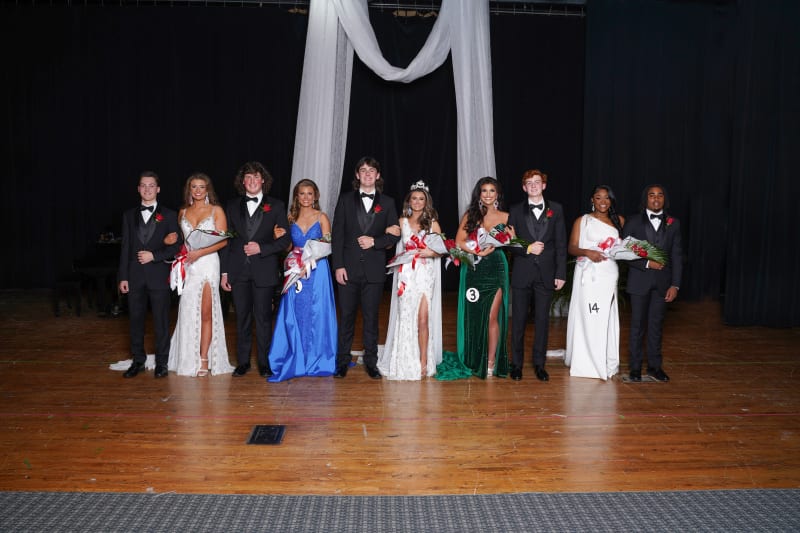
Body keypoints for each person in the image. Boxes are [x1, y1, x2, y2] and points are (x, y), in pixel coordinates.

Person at [331, 156, 399, 379]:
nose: (368, 174)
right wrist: (338, 266)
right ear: (357, 175)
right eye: (363, 170)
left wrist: (375, 242)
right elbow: (337, 235)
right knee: (347, 317)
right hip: (347, 269)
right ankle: (342, 361)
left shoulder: (388, 203)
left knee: (371, 318)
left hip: (374, 270)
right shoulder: (345, 199)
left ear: (377, 176)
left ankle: (371, 362)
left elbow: (394, 235)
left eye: (372, 171)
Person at [221, 162, 290, 377]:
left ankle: (264, 362)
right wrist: (224, 272)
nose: (252, 181)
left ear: (263, 181)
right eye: (248, 178)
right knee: (241, 318)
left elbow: (285, 240)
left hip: (264, 271)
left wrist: (262, 248)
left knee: (263, 319)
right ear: (243, 182)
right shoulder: (231, 206)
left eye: (256, 177)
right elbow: (226, 241)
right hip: (237, 271)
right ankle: (243, 363)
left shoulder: (277, 206)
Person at [267, 179, 337, 382]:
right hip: (296, 270)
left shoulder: (322, 217)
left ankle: (316, 357)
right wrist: (277, 236)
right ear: (296, 197)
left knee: (317, 313)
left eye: (309, 193)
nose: (306, 197)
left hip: (317, 271)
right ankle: (296, 356)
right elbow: (288, 248)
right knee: (296, 312)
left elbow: (328, 245)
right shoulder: (290, 218)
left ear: (315, 196)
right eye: (301, 193)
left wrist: (310, 260)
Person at [166, 173, 235, 377]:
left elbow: (224, 240)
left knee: (206, 312)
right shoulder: (182, 212)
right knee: (187, 311)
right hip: (189, 264)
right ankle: (187, 357)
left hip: (207, 263)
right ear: (189, 190)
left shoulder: (216, 211)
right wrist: (171, 243)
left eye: (201, 187)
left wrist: (200, 253)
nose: (197, 190)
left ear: (207, 190)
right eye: (194, 187)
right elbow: (182, 241)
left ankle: (204, 358)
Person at [446, 177, 511, 379]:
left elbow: (512, 240)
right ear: (479, 194)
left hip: (497, 267)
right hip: (474, 267)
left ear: (497, 194)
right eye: (484, 191)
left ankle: (491, 361)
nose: (489, 194)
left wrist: (511, 237)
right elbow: (459, 241)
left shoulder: (506, 216)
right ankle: (474, 359)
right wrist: (478, 251)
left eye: (492, 190)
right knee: (474, 316)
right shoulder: (471, 215)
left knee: (492, 316)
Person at [378, 181, 443, 380]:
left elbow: (442, 250)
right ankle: (403, 359)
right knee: (405, 317)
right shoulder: (401, 222)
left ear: (426, 202)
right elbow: (390, 243)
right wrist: (387, 232)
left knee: (423, 319)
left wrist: (429, 251)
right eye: (414, 198)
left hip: (424, 275)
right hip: (406, 275)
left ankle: (423, 360)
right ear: (409, 201)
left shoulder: (432, 223)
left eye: (421, 199)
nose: (417, 202)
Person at [118, 171, 181, 379]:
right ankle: (138, 360)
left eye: (151, 185)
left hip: (158, 275)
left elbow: (177, 247)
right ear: (138, 189)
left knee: (161, 320)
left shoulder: (171, 215)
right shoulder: (128, 215)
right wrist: (123, 277)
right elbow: (125, 248)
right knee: (135, 320)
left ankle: (162, 363)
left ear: (158, 189)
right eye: (143, 185)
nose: (147, 189)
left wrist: (153, 256)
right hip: (135, 276)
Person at [507, 169, 568, 382]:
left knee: (542, 321)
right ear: (524, 187)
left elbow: (561, 243)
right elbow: (510, 243)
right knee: (519, 322)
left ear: (544, 185)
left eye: (537, 182)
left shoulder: (557, 209)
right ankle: (516, 365)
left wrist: (561, 273)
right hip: (522, 273)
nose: (533, 185)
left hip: (547, 274)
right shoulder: (514, 210)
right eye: (529, 182)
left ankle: (540, 365)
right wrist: (527, 249)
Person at [622, 184, 682, 382]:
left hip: (663, 284)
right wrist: (647, 263)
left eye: (660, 195)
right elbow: (624, 252)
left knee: (656, 326)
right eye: (651, 195)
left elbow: (676, 255)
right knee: (637, 326)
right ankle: (635, 369)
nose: (656, 199)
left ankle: (655, 367)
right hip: (639, 281)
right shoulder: (633, 222)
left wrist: (675, 284)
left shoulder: (674, 223)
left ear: (664, 199)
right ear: (645, 199)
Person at [564, 185, 625, 380]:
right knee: (590, 313)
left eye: (607, 198)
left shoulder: (620, 221)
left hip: (608, 274)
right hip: (588, 274)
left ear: (611, 200)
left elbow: (625, 248)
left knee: (604, 316)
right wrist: (587, 252)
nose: (603, 202)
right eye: (598, 198)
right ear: (592, 200)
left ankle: (605, 357)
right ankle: (586, 360)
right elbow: (572, 248)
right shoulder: (583, 221)